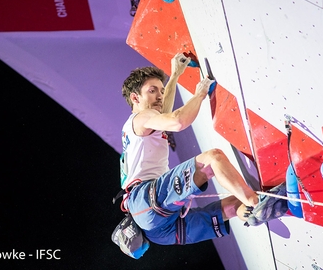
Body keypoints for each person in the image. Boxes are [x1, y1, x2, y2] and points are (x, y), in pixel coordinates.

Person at [119, 53, 287, 246]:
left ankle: (251, 211)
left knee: (232, 207)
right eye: (152, 91)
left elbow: (165, 112)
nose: (160, 95)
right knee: (213, 159)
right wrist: (200, 93)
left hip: (156, 229)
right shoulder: (141, 117)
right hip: (146, 202)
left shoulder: (140, 126)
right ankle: (257, 204)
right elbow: (177, 120)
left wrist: (174, 76)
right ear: (135, 97)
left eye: (161, 90)